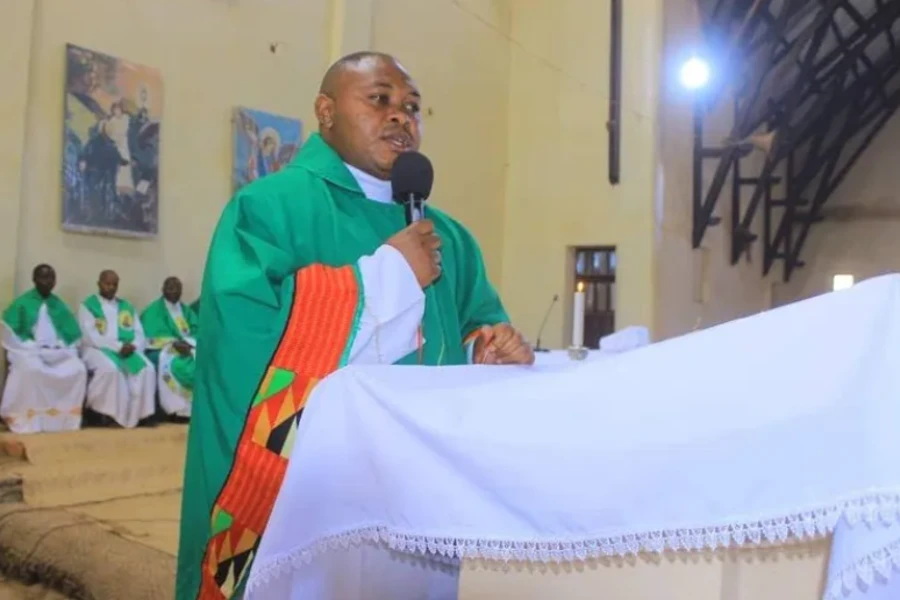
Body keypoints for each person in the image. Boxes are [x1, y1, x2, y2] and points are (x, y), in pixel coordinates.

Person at [175, 51, 534, 600]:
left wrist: (489, 350)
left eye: (412, 107)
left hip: (421, 491)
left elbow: (470, 331)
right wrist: (388, 275)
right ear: (325, 111)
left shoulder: (451, 238)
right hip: (318, 490)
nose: (400, 117)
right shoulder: (268, 208)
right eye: (379, 99)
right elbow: (245, 329)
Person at [0, 264, 87, 433]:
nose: (47, 282)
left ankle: (62, 420)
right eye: (43, 277)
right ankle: (28, 418)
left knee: (78, 369)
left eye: (51, 278)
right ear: (34, 280)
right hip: (28, 351)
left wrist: (61, 347)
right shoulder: (22, 303)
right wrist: (31, 347)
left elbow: (72, 335)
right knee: (32, 369)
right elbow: (9, 332)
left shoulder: (58, 304)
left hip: (55, 351)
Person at [78, 269, 155, 428]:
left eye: (114, 284)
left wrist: (133, 345)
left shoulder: (126, 306)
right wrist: (118, 346)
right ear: (99, 284)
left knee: (148, 369)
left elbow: (139, 332)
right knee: (111, 370)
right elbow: (90, 335)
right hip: (96, 349)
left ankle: (141, 415)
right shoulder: (88, 306)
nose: (111, 287)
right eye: (107, 283)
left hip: (126, 349)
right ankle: (104, 414)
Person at [141, 276, 197, 421]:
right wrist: (174, 344)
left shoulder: (186, 311)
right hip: (163, 350)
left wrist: (189, 343)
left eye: (177, 289)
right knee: (178, 366)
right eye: (170, 288)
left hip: (186, 349)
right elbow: (151, 336)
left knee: (199, 363)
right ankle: (175, 410)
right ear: (163, 290)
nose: (174, 292)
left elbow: (197, 330)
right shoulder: (154, 311)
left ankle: (190, 410)